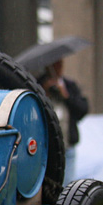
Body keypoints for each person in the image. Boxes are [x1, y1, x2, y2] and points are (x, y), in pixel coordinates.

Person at [38, 58, 88, 186]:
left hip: (67, 147)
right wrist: (45, 92)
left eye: (60, 64)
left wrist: (66, 96)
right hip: (47, 148)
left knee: (66, 187)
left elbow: (82, 109)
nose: (58, 68)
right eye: (54, 65)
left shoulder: (69, 85)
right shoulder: (39, 85)